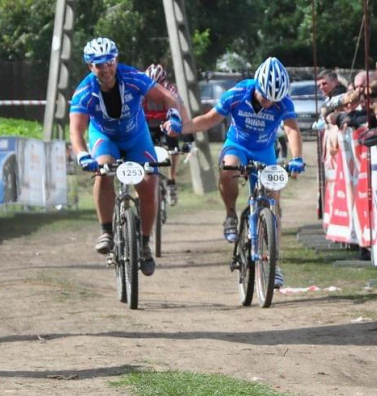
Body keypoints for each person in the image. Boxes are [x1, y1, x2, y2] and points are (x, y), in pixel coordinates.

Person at [166, 57, 305, 288]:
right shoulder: (237, 93)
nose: (270, 102)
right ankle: (230, 215)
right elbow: (209, 120)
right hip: (237, 145)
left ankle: (274, 264)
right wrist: (182, 128)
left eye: (275, 98)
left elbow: (292, 130)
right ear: (257, 87)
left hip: (264, 150)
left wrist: (297, 158)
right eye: (265, 96)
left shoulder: (284, 103)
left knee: (273, 202)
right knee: (228, 167)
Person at [69, 37, 183, 276]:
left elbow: (167, 97)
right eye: (99, 64)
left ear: (116, 60)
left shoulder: (132, 78)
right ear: (90, 66)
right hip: (104, 137)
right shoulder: (83, 92)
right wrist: (82, 155)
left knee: (149, 182)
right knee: (103, 172)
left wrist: (173, 117)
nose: (106, 69)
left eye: (109, 62)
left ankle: (143, 243)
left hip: (136, 136)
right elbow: (76, 132)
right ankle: (106, 232)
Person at [142, 63, 192, 206]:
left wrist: (187, 135)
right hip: (148, 124)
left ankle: (171, 181)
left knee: (173, 146)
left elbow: (182, 112)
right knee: (142, 151)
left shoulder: (171, 90)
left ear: (165, 83)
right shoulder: (140, 91)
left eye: (159, 85)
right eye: (151, 86)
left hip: (167, 122)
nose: (154, 90)